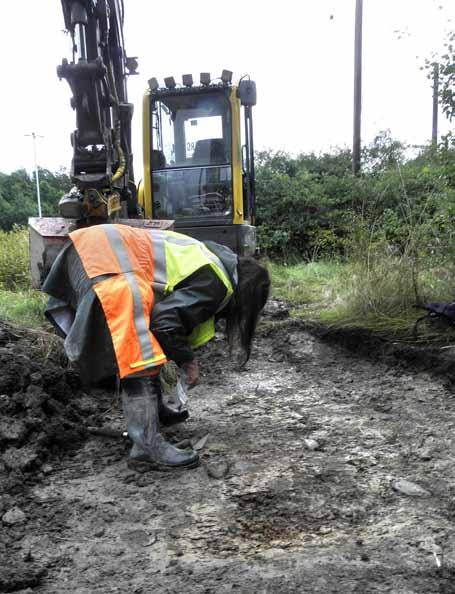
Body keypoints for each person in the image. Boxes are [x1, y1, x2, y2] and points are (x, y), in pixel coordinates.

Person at [43, 223, 270, 470]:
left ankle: (153, 415)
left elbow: (161, 323)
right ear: (247, 296)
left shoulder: (206, 257)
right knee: (138, 346)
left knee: (141, 338)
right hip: (105, 259)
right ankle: (147, 446)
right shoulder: (217, 281)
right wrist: (188, 360)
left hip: (88, 251)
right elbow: (165, 322)